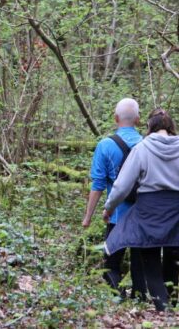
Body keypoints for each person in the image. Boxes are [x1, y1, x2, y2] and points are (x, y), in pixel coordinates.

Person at [103, 109, 179, 311]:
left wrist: (109, 208)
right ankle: (172, 304)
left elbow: (121, 186)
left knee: (150, 258)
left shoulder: (142, 148)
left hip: (149, 211)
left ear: (149, 127)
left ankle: (163, 309)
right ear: (171, 127)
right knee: (173, 255)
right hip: (176, 210)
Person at [82, 98, 146, 298]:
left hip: (116, 216)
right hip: (144, 216)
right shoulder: (147, 144)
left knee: (110, 264)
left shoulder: (105, 145)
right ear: (138, 119)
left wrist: (88, 217)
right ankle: (139, 298)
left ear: (115, 118)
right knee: (140, 263)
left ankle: (118, 297)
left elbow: (98, 184)